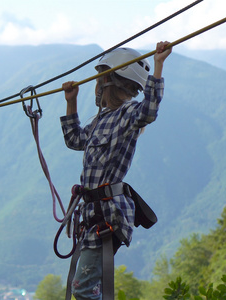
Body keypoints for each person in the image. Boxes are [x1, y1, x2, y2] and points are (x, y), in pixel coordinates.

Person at [60, 41, 172, 300]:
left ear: (111, 83)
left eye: (100, 81)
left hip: (107, 216)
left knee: (84, 287)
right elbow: (75, 140)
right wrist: (71, 103)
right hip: (93, 214)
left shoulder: (127, 115)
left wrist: (158, 65)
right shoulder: (100, 120)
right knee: (86, 286)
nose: (95, 87)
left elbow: (150, 110)